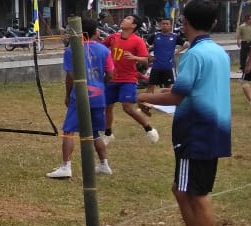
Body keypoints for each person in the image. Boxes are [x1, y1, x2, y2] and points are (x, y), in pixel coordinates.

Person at [138, 0, 231, 226]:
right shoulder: (219, 52)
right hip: (211, 130)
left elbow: (177, 95)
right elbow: (191, 92)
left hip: (197, 133)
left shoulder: (194, 54)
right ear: (214, 23)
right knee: (182, 190)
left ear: (184, 22)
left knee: (196, 195)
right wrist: (152, 100)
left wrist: (138, 97)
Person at [46, 19, 114, 179]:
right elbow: (110, 74)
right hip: (98, 96)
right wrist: (100, 85)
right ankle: (104, 164)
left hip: (80, 96)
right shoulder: (104, 50)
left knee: (68, 131)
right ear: (95, 32)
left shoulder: (72, 50)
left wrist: (68, 94)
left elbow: (71, 76)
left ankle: (66, 167)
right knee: (94, 131)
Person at [101, 14, 159, 145]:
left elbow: (145, 60)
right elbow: (101, 47)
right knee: (106, 107)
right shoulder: (113, 37)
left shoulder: (137, 41)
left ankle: (148, 128)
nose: (123, 20)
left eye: (128, 19)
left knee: (127, 107)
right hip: (112, 78)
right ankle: (108, 133)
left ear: (133, 25)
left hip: (128, 79)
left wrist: (135, 58)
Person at [142, 17, 185, 108]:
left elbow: (186, 44)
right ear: (160, 25)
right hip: (156, 65)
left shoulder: (174, 36)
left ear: (170, 25)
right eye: (163, 24)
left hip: (168, 66)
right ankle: (147, 103)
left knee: (168, 87)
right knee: (151, 86)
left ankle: (167, 105)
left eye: (167, 24)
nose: (165, 25)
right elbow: (144, 45)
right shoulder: (155, 36)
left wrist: (176, 52)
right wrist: (148, 55)